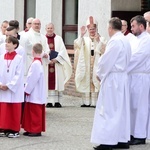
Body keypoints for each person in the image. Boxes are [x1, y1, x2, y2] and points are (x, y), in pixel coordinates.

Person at [91, 17, 131, 150]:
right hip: (122, 77)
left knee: (108, 109)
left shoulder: (115, 41)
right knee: (121, 109)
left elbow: (106, 60)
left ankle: (107, 141)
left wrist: (99, 74)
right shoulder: (125, 39)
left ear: (110, 28)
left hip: (113, 78)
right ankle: (121, 138)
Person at [74, 16, 107, 108]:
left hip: (96, 64)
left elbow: (105, 50)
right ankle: (86, 102)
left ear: (96, 28)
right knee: (86, 80)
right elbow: (77, 45)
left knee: (95, 81)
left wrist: (98, 41)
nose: (92, 31)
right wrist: (81, 35)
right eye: (90, 29)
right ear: (88, 29)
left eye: (93, 29)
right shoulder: (84, 39)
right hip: (86, 64)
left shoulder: (102, 38)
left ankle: (95, 103)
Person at [128, 15, 150, 145]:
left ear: (141, 26)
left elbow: (138, 57)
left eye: (133, 26)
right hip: (132, 76)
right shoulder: (134, 39)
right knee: (132, 106)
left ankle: (140, 135)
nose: (131, 29)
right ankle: (132, 133)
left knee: (140, 106)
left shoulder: (147, 40)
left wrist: (123, 66)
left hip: (141, 76)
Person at [0, 36, 24, 138]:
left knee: (14, 109)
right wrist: (1, 84)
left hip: (14, 89)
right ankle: (4, 127)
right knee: (4, 109)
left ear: (15, 45)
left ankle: (14, 130)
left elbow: (19, 74)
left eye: (9, 42)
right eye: (6, 42)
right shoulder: (1, 57)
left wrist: (9, 85)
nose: (6, 44)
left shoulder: (19, 58)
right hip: (2, 87)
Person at [20, 18, 50, 98]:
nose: (37, 25)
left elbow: (47, 49)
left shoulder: (43, 37)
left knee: (40, 84)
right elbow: (30, 49)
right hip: (30, 62)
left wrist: (47, 54)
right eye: (35, 24)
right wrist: (42, 53)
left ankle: (41, 102)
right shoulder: (26, 35)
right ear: (31, 25)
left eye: (38, 24)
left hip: (42, 63)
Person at [45, 23, 72, 108]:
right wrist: (47, 60)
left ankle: (57, 101)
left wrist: (56, 59)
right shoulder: (43, 38)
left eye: (51, 28)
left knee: (58, 82)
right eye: (48, 28)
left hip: (57, 64)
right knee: (47, 82)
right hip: (47, 64)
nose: (50, 29)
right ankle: (49, 102)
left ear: (54, 29)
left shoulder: (58, 38)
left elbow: (63, 51)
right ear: (46, 29)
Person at [22, 43, 46, 137]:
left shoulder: (36, 63)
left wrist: (27, 89)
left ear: (33, 51)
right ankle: (29, 128)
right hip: (35, 90)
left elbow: (33, 78)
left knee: (34, 111)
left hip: (35, 91)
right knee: (30, 110)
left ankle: (36, 130)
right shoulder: (38, 62)